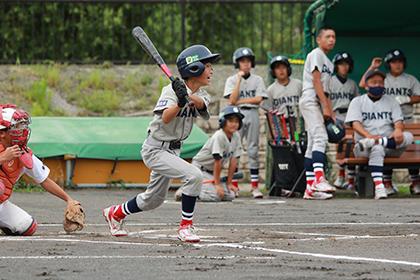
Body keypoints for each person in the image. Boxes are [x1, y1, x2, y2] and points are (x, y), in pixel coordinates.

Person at [103, 45, 221, 242]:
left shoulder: (201, 94)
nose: (211, 71)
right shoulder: (170, 91)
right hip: (155, 149)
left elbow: (201, 105)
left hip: (174, 151)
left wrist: (187, 96)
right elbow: (166, 118)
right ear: (194, 68)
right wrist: (180, 102)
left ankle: (115, 213)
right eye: (207, 66)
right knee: (194, 176)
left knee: (153, 200)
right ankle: (186, 227)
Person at [0, 104, 81, 236]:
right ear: (2, 132)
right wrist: (2, 158)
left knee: (27, 226)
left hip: (1, 203)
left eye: (22, 126)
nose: (21, 130)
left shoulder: (22, 153)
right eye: (16, 127)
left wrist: (68, 199)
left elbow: (44, 180)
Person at [359, 49, 420, 195]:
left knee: (410, 149)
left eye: (399, 61)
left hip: (405, 119)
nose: (397, 65)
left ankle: (415, 182)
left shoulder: (410, 79)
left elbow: (419, 96)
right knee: (387, 149)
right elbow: (363, 84)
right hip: (385, 120)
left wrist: (407, 99)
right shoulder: (382, 78)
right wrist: (373, 67)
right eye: (393, 62)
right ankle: (386, 182)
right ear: (388, 64)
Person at [346, 68, 413, 199]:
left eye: (380, 82)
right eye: (374, 82)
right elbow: (355, 123)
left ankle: (380, 141)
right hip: (363, 147)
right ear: (366, 85)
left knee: (408, 136)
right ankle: (379, 187)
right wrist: (368, 136)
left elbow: (399, 121)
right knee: (376, 148)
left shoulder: (391, 102)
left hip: (390, 146)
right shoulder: (358, 101)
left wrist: (398, 130)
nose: (378, 85)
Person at [174, 106, 244, 202]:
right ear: (222, 121)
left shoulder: (236, 136)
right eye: (230, 121)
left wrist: (229, 183)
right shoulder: (219, 136)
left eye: (236, 121)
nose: (234, 124)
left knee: (230, 195)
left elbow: (234, 160)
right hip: (199, 169)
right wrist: (217, 184)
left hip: (210, 173)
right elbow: (217, 161)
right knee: (215, 196)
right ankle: (187, 190)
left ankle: (196, 187)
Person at [299, 26, 337, 200]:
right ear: (318, 39)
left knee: (313, 141)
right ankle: (319, 179)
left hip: (319, 101)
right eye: (327, 36)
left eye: (333, 37)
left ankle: (309, 188)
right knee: (321, 136)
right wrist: (326, 106)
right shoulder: (316, 53)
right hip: (310, 98)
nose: (331, 39)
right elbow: (316, 81)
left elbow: (326, 89)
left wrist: (329, 109)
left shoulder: (329, 62)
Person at [224, 47, 268, 198]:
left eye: (248, 61)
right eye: (242, 61)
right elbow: (231, 100)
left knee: (253, 149)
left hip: (252, 113)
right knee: (235, 149)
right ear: (237, 64)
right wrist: (238, 80)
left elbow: (258, 99)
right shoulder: (232, 79)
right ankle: (234, 186)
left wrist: (239, 101)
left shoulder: (257, 80)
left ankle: (254, 187)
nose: (246, 64)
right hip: (236, 115)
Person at [330, 52, 360, 190]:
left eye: (346, 64)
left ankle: (351, 180)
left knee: (351, 145)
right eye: (341, 64)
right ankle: (341, 175)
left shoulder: (352, 84)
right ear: (336, 66)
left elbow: (358, 102)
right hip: (335, 116)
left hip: (349, 117)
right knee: (340, 143)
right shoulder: (330, 82)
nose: (344, 67)